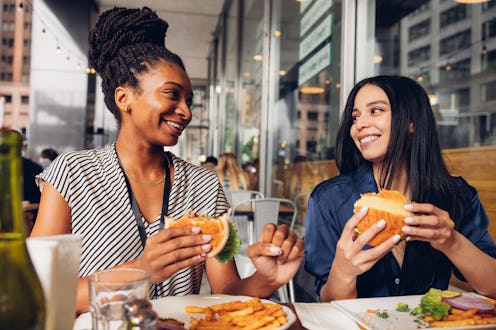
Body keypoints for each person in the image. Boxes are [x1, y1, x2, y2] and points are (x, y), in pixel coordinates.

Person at [31, 7, 304, 313]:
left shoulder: (205, 185)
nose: (186, 112)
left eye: (189, 101)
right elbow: (40, 290)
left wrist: (267, 279)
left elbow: (226, 291)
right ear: (124, 99)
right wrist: (143, 270)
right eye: (172, 94)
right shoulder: (71, 174)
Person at [304, 75, 496, 302]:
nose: (359, 125)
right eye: (355, 117)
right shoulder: (328, 200)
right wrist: (343, 273)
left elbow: (492, 288)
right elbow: (327, 304)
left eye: (375, 111)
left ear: (411, 122)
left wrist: (451, 242)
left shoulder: (458, 195)